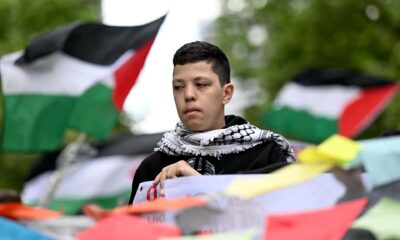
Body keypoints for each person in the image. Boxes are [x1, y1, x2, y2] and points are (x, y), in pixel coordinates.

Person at [128, 41, 296, 204]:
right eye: (178, 87)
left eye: (201, 84)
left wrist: (201, 187)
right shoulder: (151, 169)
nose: (188, 95)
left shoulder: (265, 154)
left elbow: (281, 222)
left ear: (227, 93)